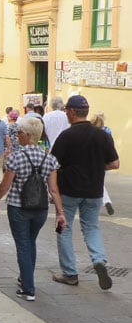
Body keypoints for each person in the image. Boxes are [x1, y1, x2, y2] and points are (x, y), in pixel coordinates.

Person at [0, 116, 66, 301]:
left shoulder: (16, 156)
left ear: (27, 135)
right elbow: (54, 189)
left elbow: (5, 184)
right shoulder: (49, 158)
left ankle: (28, 288)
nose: (17, 135)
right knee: (30, 242)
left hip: (18, 207)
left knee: (23, 245)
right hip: (40, 209)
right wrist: (60, 213)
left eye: (19, 133)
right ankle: (25, 277)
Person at [50, 95, 120, 290]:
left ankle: (70, 273)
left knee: (63, 228)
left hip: (69, 191)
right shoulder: (102, 135)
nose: (66, 114)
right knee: (91, 227)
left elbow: (52, 163)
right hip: (94, 191)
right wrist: (96, 167)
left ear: (72, 112)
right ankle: (99, 260)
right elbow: (115, 163)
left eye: (66, 111)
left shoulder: (66, 136)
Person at [91, 112, 115, 215]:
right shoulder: (107, 131)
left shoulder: (91, 131)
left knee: (95, 182)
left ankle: (103, 202)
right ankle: (106, 201)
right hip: (104, 160)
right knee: (100, 181)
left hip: (92, 160)